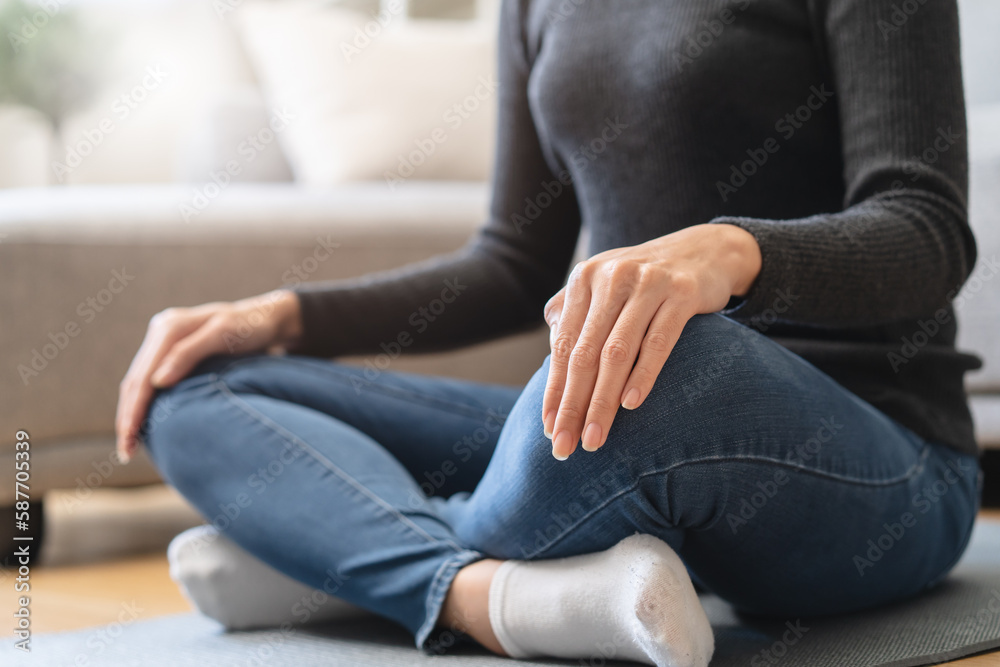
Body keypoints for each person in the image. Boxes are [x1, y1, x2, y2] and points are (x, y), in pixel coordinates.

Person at [115, 0, 983, 665]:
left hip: (875, 453)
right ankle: (478, 594)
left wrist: (733, 251)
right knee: (190, 386)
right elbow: (512, 262)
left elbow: (926, 226)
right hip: (607, 421)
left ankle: (336, 552)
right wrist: (286, 316)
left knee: (673, 355)